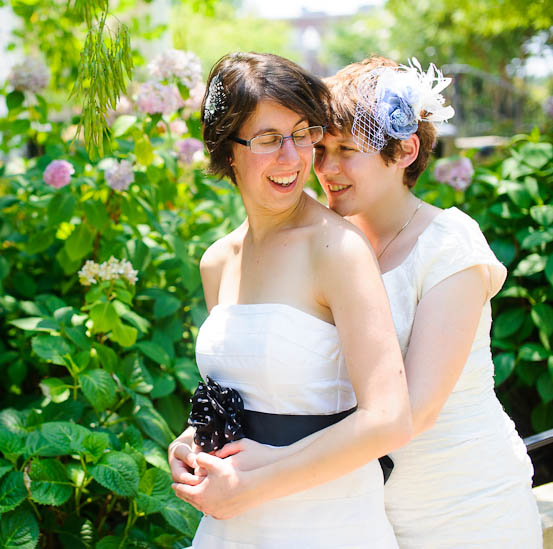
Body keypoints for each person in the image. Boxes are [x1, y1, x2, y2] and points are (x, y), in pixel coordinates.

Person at [167, 51, 412, 548]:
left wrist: (254, 487)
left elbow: (388, 418)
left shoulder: (337, 249)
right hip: (233, 523)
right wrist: (193, 441)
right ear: (226, 149)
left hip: (325, 521)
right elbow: (247, 394)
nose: (292, 158)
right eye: (267, 139)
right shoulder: (218, 261)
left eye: (302, 134)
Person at [310, 56, 542, 548]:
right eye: (321, 149)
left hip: (466, 510)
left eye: (347, 149)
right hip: (363, 515)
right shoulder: (329, 246)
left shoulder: (449, 243)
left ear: (405, 150)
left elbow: (416, 409)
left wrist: (272, 468)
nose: (327, 169)